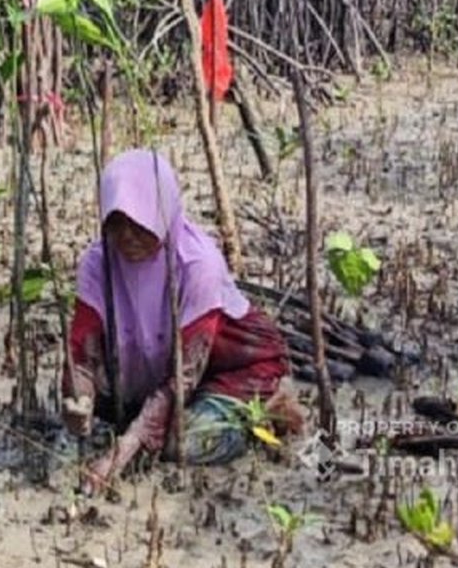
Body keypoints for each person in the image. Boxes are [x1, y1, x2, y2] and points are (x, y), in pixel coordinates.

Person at [61, 149, 301, 493]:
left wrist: (122, 452)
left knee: (183, 443)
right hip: (157, 370)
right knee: (111, 411)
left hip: (231, 370)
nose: (127, 235)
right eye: (116, 222)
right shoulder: (98, 263)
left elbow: (184, 373)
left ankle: (268, 412)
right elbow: (81, 350)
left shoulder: (197, 265)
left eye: (139, 221)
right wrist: (78, 399)